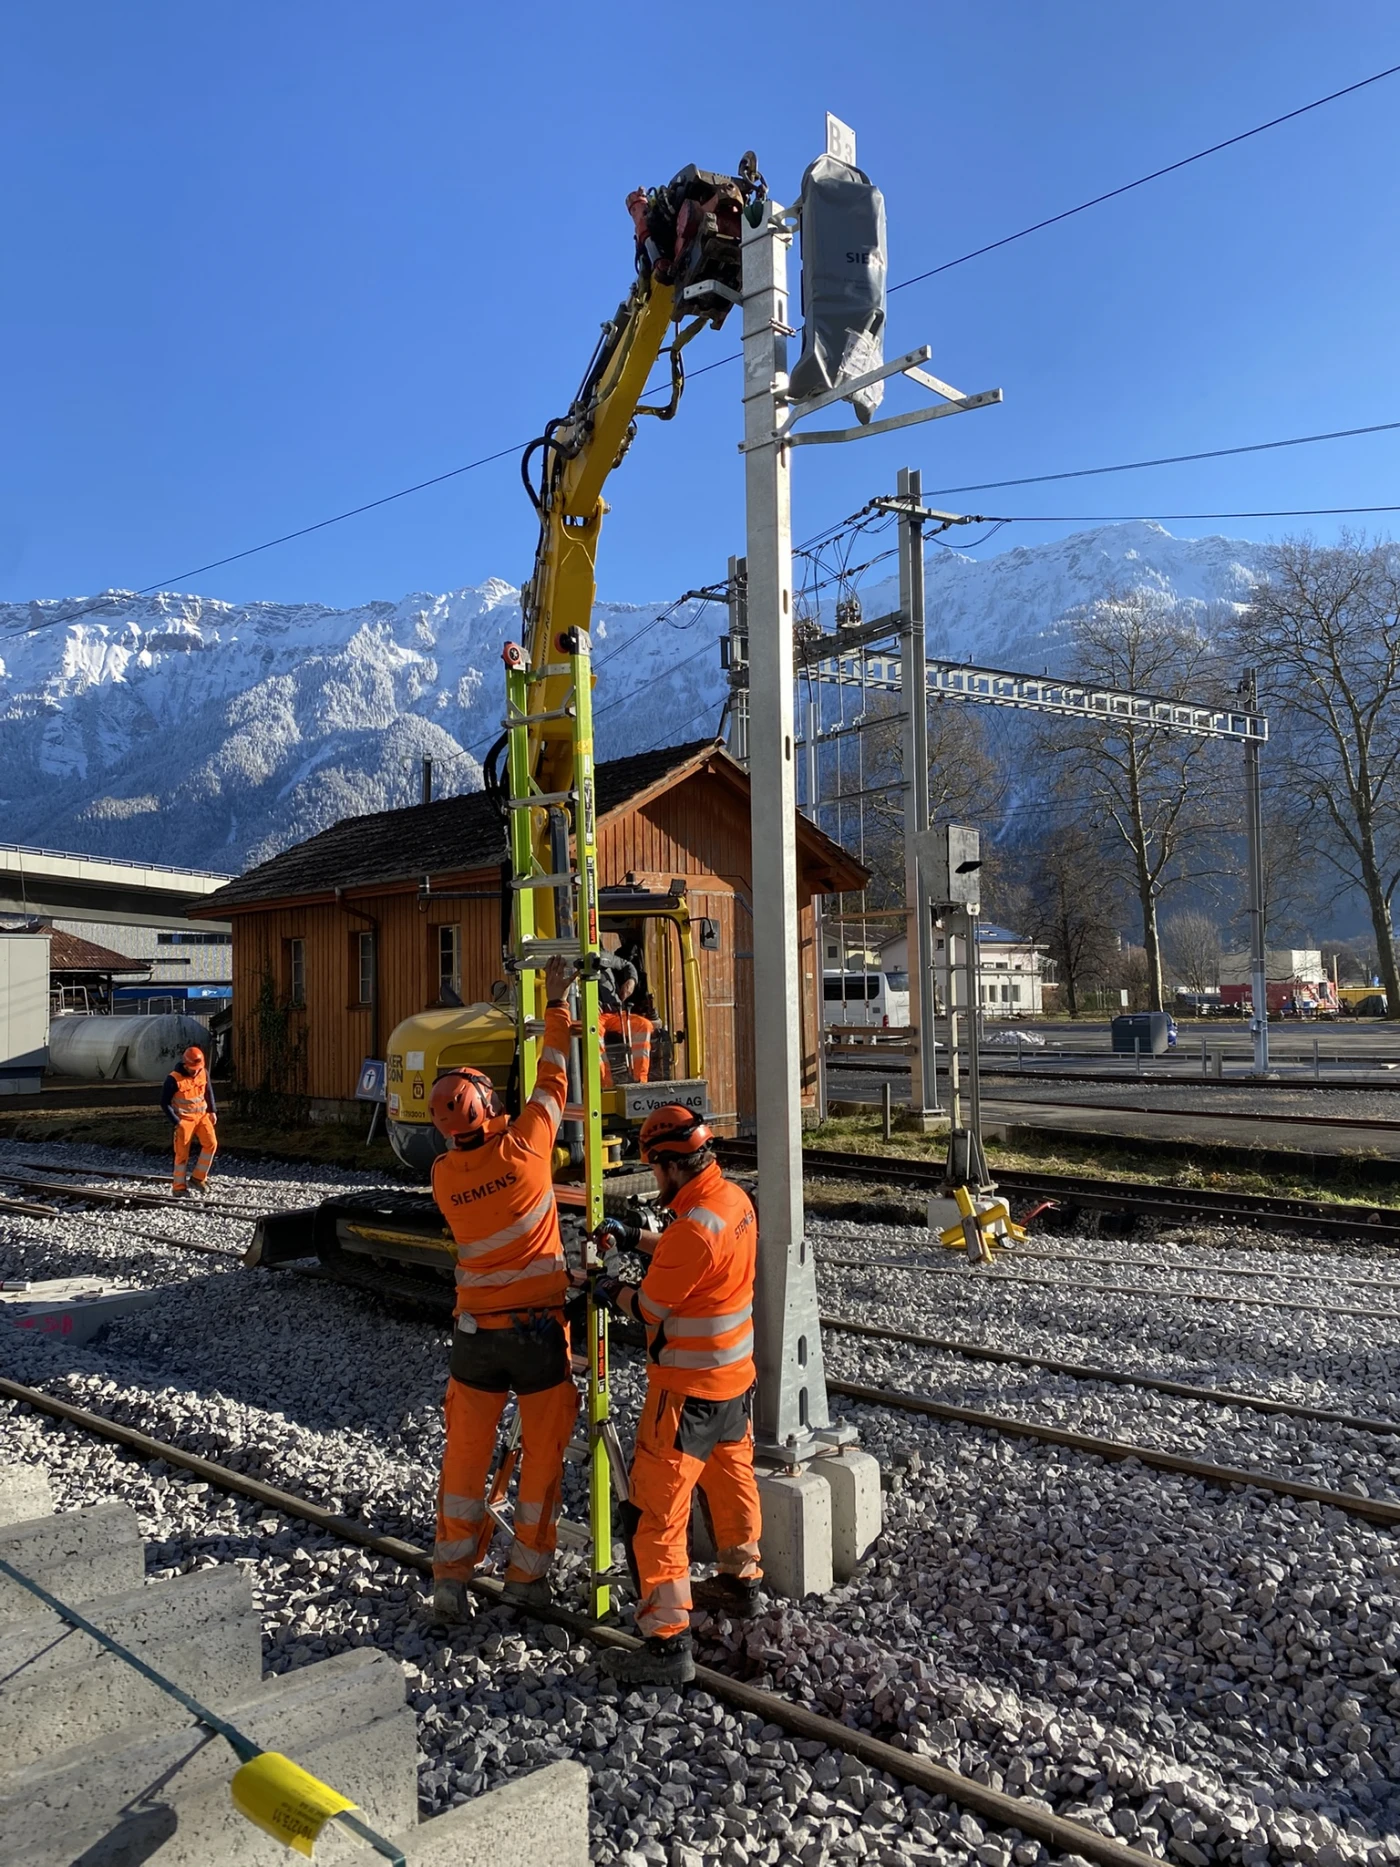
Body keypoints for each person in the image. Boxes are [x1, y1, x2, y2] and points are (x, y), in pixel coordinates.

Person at [427, 953, 580, 1624]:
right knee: (541, 1460)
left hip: (475, 1341)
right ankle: (526, 1579)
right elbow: (554, 1075)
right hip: (538, 1333)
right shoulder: (526, 1149)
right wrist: (557, 1002)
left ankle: (450, 1579)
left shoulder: (444, 1176)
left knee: (464, 1462)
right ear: (489, 1107)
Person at [589, 1105, 763, 1686]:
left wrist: (606, 1284)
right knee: (732, 1483)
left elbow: (648, 1307)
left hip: (685, 1396)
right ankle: (741, 1582)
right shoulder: (732, 1202)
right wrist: (633, 1237)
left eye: (654, 1169)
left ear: (668, 1163)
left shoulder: (692, 1230)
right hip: (733, 1382)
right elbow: (687, 1255)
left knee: (656, 1513)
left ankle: (666, 1644)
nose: (654, 1179)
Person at [162, 1044, 217, 1197]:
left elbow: (208, 1092)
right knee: (181, 1154)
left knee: (211, 1144)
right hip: (184, 1120)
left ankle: (198, 1178)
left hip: (202, 1116)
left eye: (198, 1068)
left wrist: (212, 1111)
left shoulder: (203, 1072)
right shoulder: (173, 1079)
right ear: (185, 1064)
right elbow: (164, 1103)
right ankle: (178, 1188)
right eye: (193, 1068)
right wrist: (176, 1122)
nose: (196, 1071)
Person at [599, 962, 652, 1087]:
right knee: (594, 1031)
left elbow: (627, 965)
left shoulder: (606, 957)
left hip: (614, 1012)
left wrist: (632, 980)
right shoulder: (571, 961)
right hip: (592, 1015)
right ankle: (605, 1083)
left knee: (643, 1025)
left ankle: (640, 1080)